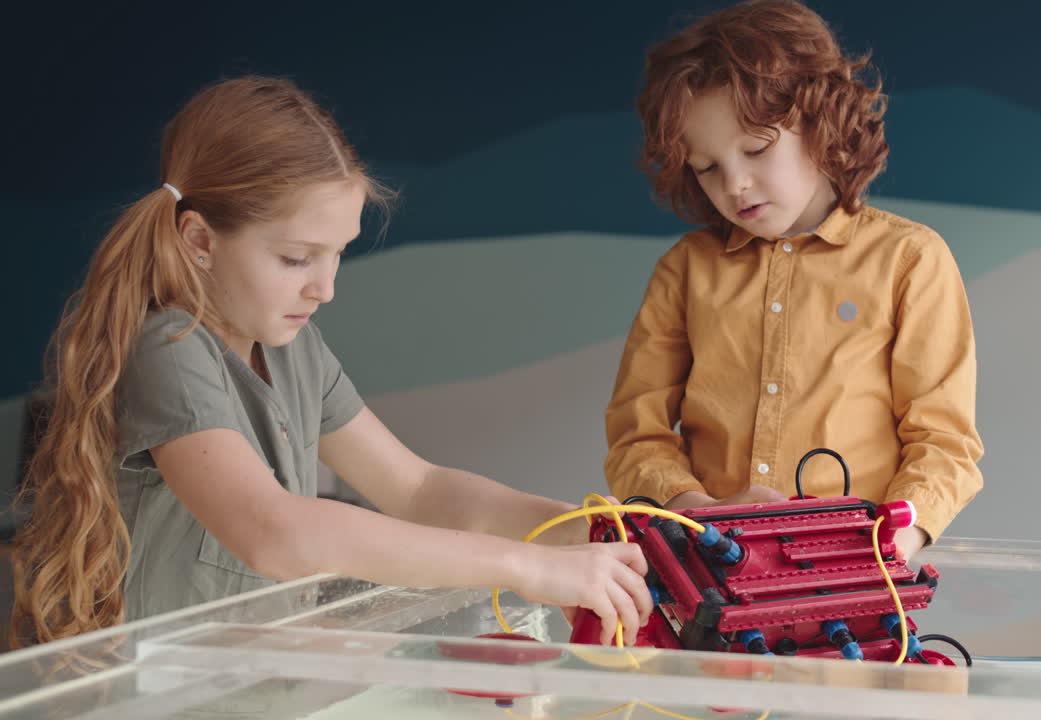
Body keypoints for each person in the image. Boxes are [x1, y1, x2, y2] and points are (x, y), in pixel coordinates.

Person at [10, 76, 650, 648]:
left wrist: (583, 534)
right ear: (200, 241)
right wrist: (527, 568)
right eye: (296, 258)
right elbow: (275, 531)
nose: (326, 288)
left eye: (338, 253)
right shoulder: (169, 349)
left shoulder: (294, 348)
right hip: (164, 697)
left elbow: (419, 489)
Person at [605, 0, 984, 561]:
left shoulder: (911, 259)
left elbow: (943, 443)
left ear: (821, 123)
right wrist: (695, 513)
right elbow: (638, 435)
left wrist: (888, 547)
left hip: (858, 574)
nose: (734, 184)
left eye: (756, 149)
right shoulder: (685, 270)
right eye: (707, 167)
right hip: (711, 567)